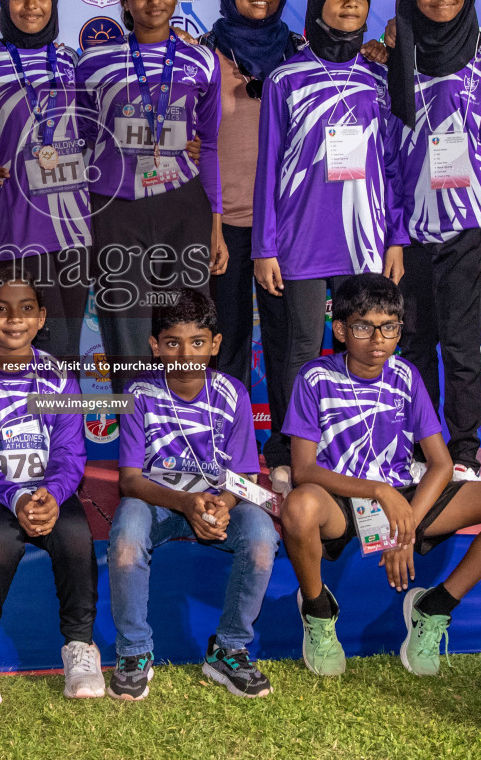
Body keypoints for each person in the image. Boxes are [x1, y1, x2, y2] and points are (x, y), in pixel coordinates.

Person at [280, 274, 481, 677]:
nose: (378, 339)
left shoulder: (405, 376)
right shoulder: (315, 378)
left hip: (404, 497)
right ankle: (317, 611)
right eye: (364, 327)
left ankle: (434, 608)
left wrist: (407, 528)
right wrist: (379, 491)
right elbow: (304, 470)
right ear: (342, 329)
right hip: (342, 500)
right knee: (298, 505)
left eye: (389, 327)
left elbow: (441, 463)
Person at [254, 0, 406, 495]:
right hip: (298, 240)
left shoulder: (379, 78)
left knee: (364, 346)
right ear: (316, 4)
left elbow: (393, 166)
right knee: (300, 350)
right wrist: (264, 247)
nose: (349, 2)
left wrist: (396, 238)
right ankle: (299, 459)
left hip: (365, 239)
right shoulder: (284, 78)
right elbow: (268, 166)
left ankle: (358, 449)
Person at [107, 289, 278, 701]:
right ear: (155, 346)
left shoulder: (233, 392)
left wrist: (226, 504)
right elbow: (129, 480)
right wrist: (185, 503)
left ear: (215, 344)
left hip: (217, 504)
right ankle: (134, 653)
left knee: (260, 537)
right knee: (127, 538)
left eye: (197, 343)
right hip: (156, 503)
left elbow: (244, 474)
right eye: (172, 343)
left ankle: (229, 648)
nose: (185, 353)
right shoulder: (139, 393)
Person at [386, 0, 481, 480]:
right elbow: (385, 154)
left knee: (463, 351)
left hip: (468, 229)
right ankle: (423, 455)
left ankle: (463, 455)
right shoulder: (393, 56)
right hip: (410, 231)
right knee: (413, 348)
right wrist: (392, 232)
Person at [0, 261, 104, 704]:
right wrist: (14, 495)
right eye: (0, 308)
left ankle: (80, 647)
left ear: (40, 318)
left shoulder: (58, 375)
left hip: (43, 490)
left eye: (25, 308)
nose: (14, 318)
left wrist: (51, 494)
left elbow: (72, 452)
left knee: (74, 531)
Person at [77, 0, 227, 388]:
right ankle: (135, 442)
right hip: (115, 209)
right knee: (126, 328)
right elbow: (82, 139)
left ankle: (192, 434)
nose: (154, 1)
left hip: (184, 207)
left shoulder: (202, 60)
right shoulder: (92, 63)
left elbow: (212, 143)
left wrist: (215, 224)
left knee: (189, 326)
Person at [0, 0, 91, 359]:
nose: (31, 5)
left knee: (67, 348)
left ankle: (61, 423)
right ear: (4, 1)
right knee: (45, 342)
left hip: (76, 227)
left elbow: (97, 130)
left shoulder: (72, 62)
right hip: (20, 225)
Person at [200, 0, 304, 402]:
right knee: (226, 343)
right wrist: (210, 224)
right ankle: (229, 448)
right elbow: (193, 147)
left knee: (289, 345)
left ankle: (285, 454)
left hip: (287, 226)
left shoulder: (303, 52)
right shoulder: (202, 55)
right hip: (225, 226)